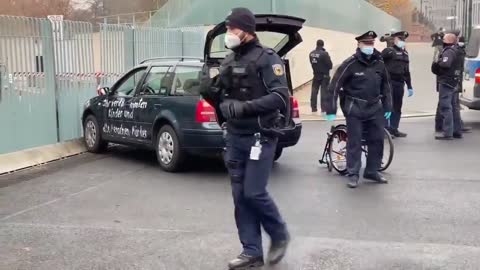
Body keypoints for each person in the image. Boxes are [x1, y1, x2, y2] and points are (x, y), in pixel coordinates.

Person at [200, 7, 290, 269]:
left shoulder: (267, 58)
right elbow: (224, 99)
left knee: (254, 192)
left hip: (260, 136)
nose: (228, 33)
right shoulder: (228, 61)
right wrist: (209, 92)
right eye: (227, 29)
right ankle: (251, 251)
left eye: (232, 29)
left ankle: (280, 234)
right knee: (240, 197)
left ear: (247, 31)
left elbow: (280, 97)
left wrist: (245, 108)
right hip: (235, 137)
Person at [325, 31, 393, 189]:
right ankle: (353, 173)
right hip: (355, 108)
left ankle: (372, 170)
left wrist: (388, 106)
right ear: (359, 45)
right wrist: (331, 108)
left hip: (375, 107)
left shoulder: (379, 63)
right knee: (354, 142)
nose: (369, 47)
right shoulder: (350, 63)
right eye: (366, 44)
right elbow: (334, 85)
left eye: (371, 44)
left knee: (377, 140)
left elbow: (387, 86)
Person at [431, 33, 463, 140]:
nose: (442, 40)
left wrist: (438, 62)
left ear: (448, 41)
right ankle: (457, 131)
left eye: (444, 39)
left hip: (446, 82)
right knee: (454, 107)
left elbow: (445, 64)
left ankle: (448, 132)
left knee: (446, 107)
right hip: (454, 81)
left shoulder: (448, 51)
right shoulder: (456, 50)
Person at [381, 31, 413, 138]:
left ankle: (394, 128)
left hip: (400, 83)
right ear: (395, 40)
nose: (402, 42)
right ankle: (385, 129)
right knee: (388, 106)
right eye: (400, 39)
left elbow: (407, 71)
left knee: (397, 107)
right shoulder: (388, 51)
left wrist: (409, 86)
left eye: (404, 40)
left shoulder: (405, 53)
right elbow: (378, 63)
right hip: (389, 82)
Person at [309, 39, 333, 114]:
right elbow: (330, 65)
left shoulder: (311, 53)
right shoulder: (324, 54)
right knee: (324, 92)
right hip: (324, 75)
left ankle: (313, 108)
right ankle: (323, 109)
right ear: (322, 45)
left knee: (314, 91)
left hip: (316, 74)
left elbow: (312, 63)